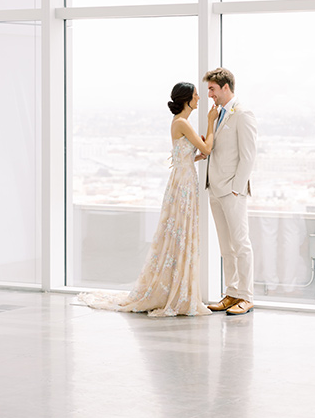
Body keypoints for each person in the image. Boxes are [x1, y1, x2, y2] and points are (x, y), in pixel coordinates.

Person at [78, 82, 219, 317]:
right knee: (181, 232)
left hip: (182, 179)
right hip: (184, 183)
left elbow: (183, 156)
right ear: (186, 99)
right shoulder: (183, 122)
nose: (199, 98)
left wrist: (195, 156)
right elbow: (208, 147)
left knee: (179, 232)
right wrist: (211, 121)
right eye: (195, 95)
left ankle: (176, 289)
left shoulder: (179, 123)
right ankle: (177, 292)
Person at [203, 68, 258, 315]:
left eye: (213, 89)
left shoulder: (243, 114)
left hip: (232, 191)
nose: (210, 95)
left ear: (226, 87)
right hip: (214, 189)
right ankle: (232, 292)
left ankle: (246, 296)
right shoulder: (217, 115)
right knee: (226, 246)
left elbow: (248, 156)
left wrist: (236, 190)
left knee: (241, 243)